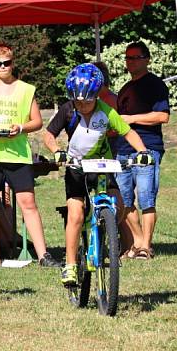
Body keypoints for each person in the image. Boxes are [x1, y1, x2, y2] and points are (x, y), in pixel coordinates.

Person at [42, 63, 152, 286]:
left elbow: (128, 132)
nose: (82, 105)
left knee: (119, 205)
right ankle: (71, 265)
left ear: (97, 95)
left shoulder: (106, 110)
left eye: (87, 101)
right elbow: (48, 135)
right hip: (76, 168)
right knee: (76, 214)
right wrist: (56, 152)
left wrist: (143, 152)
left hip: (103, 166)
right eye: (78, 101)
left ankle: (105, 233)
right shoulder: (68, 110)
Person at [0, 42, 59, 268]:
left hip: (18, 155)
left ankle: (43, 255)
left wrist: (20, 128)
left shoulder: (26, 89)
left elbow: (37, 121)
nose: (3, 67)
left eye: (7, 63)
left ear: (12, 63)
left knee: (28, 203)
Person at [112, 42, 170, 260]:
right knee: (123, 200)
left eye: (135, 58)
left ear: (147, 59)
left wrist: (132, 119)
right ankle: (137, 242)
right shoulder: (125, 89)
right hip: (123, 149)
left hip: (147, 147)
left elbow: (163, 116)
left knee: (146, 197)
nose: (130, 62)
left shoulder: (155, 85)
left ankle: (146, 245)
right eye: (127, 58)